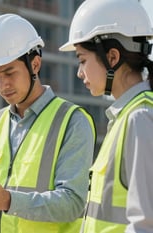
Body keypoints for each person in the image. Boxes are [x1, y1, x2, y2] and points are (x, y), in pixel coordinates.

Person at [0, 13, 96, 233]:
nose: (3, 85)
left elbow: (73, 203)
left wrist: (7, 200)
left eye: (9, 72)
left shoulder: (72, 121)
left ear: (35, 64)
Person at [59, 0, 153, 232]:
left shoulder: (139, 119)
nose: (79, 72)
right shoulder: (124, 117)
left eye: (82, 60)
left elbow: (146, 224)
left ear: (112, 57)